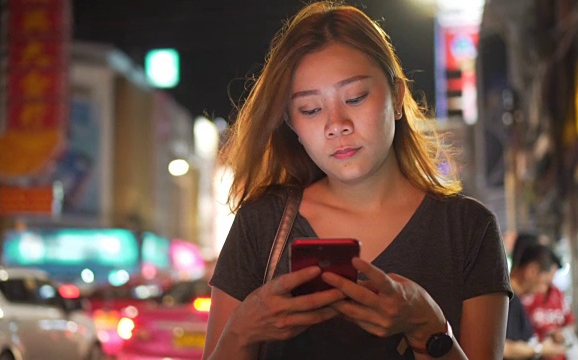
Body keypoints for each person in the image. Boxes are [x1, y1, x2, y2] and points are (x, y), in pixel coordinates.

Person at [204, 2, 512, 359]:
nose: (337, 124)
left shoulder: (468, 230)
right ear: (292, 123)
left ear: (396, 96)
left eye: (355, 97)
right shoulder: (261, 224)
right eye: (310, 109)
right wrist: (242, 331)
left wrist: (428, 328)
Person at [512, 233, 576, 360]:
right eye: (545, 282)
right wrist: (540, 349)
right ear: (532, 270)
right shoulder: (507, 300)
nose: (544, 290)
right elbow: (503, 347)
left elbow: (570, 322)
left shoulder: (515, 299)